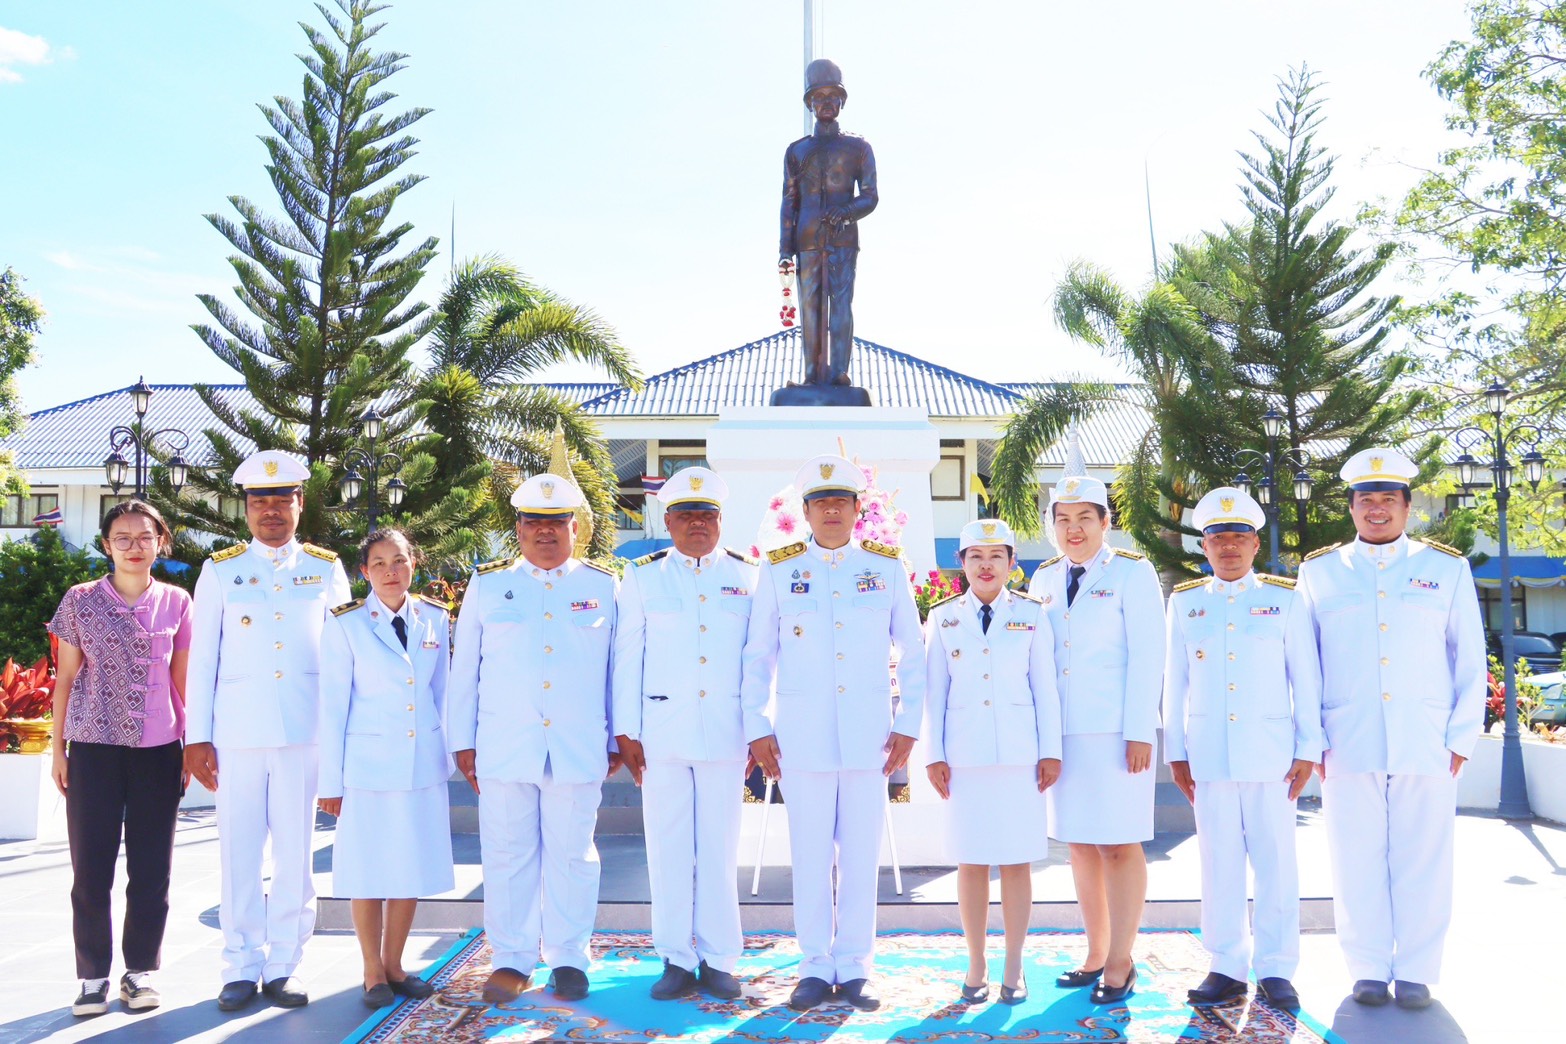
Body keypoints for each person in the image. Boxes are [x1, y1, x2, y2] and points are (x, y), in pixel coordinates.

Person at [1296, 448, 1485, 1010]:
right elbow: (1305, 663)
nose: (1376, 509)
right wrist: (1312, 739)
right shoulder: (1319, 571)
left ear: (1407, 507)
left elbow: (1470, 656)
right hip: (1346, 737)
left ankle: (1418, 970)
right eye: (1365, 500)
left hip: (1425, 736)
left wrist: (1461, 736)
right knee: (1355, 857)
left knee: (1423, 858)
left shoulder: (1446, 568)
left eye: (1387, 499)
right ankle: (1369, 969)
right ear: (1351, 508)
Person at [740, 453, 925, 1012]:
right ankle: (815, 966)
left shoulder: (885, 567)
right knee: (811, 858)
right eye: (820, 503)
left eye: (840, 501)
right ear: (806, 511)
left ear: (856, 509)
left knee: (861, 857)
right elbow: (757, 656)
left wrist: (908, 723)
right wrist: (757, 725)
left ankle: (857, 966)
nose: (830, 511)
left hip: (871, 738)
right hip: (801, 738)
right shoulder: (779, 570)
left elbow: (913, 651)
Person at [184, 450, 352, 1012]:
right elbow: (203, 659)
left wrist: (341, 741)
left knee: (296, 854)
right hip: (237, 735)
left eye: (282, 500)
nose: (271, 511)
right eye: (261, 502)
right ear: (247, 508)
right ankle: (239, 964)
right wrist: (197, 737)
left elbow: (343, 658)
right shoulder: (220, 570)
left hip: (304, 732)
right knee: (238, 853)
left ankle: (284, 964)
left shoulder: (325, 569)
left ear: (300, 504)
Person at [448, 473, 620, 1005]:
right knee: (507, 855)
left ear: (575, 528)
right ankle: (512, 959)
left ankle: (568, 959)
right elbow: (465, 669)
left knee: (573, 856)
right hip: (505, 744)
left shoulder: (603, 586)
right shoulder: (488, 584)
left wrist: (618, 737)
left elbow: (617, 670)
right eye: (534, 523)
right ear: (519, 529)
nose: (545, 532)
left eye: (556, 523)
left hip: (576, 744)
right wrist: (462, 740)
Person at [1162, 487, 1324, 1011]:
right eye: (1217, 537)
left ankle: (1276, 968)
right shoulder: (1185, 603)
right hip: (1208, 756)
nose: (1228, 546)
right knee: (1219, 863)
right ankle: (1226, 965)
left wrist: (1308, 748)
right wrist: (1175, 751)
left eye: (1239, 536)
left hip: (1272, 756)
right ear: (1204, 546)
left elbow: (1306, 679)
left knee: (1277, 864)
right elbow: (1173, 682)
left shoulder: (1286, 599)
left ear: (1255, 544)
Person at [611, 467, 756, 1002]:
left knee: (718, 849)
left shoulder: (749, 576)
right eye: (686, 515)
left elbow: (760, 661)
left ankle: (720, 958)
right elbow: (627, 656)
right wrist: (626, 731)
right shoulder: (643, 577)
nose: (697, 523)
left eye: (706, 514)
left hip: (726, 732)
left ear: (720, 521)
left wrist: (758, 728)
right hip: (661, 736)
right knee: (668, 849)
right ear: (668, 522)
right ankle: (675, 957)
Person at [47, 500, 192, 1017]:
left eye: (145, 537)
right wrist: (58, 748)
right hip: (93, 749)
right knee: (91, 868)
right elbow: (65, 678)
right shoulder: (80, 600)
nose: (134, 547)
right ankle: (92, 977)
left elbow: (182, 680)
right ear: (107, 545)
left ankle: (140, 972)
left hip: (159, 750)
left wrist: (193, 744)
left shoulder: (177, 602)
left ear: (161, 542)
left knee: (152, 868)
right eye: (123, 538)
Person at [1027, 474, 1163, 1005]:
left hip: (1115, 733)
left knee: (1119, 845)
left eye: (1085, 518)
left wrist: (1140, 731)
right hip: (1063, 734)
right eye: (1063, 519)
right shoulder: (1043, 577)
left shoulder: (1132, 572)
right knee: (1080, 846)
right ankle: (1096, 952)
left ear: (1106, 522)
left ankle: (1122, 960)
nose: (1073, 529)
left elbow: (1148, 654)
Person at [923, 518, 1061, 1006]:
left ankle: (1014, 965)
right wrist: (934, 755)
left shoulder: (1032, 614)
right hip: (965, 759)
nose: (986, 566)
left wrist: (1050, 751)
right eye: (976, 557)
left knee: (1017, 861)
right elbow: (934, 693)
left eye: (996, 556)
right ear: (961, 563)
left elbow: (1045, 687)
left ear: (1011, 564)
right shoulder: (942, 618)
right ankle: (976, 962)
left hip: (1021, 758)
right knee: (972, 861)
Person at [317, 529, 455, 1008]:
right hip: (368, 768)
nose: (390, 572)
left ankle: (395, 964)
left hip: (421, 764)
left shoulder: (434, 617)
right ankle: (371, 969)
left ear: (414, 564)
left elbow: (442, 693)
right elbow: (332, 707)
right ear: (364, 572)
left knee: (408, 866)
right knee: (367, 868)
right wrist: (330, 781)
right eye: (379, 563)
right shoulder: (346, 624)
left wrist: (449, 755)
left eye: (399, 561)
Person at [778, 59, 878, 387]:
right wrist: (784, 250)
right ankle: (811, 376)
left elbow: (870, 196)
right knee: (810, 310)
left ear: (842, 101)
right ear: (809, 103)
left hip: (843, 238)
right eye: (818, 96)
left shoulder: (858, 148)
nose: (825, 102)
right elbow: (789, 202)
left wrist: (846, 211)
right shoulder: (796, 151)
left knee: (841, 306)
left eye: (832, 95)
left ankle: (838, 373)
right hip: (806, 240)